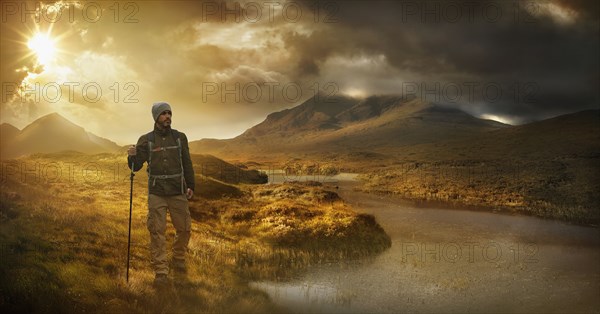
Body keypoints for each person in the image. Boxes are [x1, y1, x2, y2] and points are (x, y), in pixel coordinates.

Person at [127, 102, 195, 286]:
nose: (168, 116)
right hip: (156, 192)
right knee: (157, 231)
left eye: (169, 113)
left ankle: (178, 257)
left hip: (177, 191)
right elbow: (136, 165)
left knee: (184, 228)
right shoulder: (146, 140)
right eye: (164, 114)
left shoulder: (180, 138)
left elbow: (187, 163)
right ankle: (161, 271)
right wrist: (131, 156)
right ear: (156, 117)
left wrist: (191, 185)